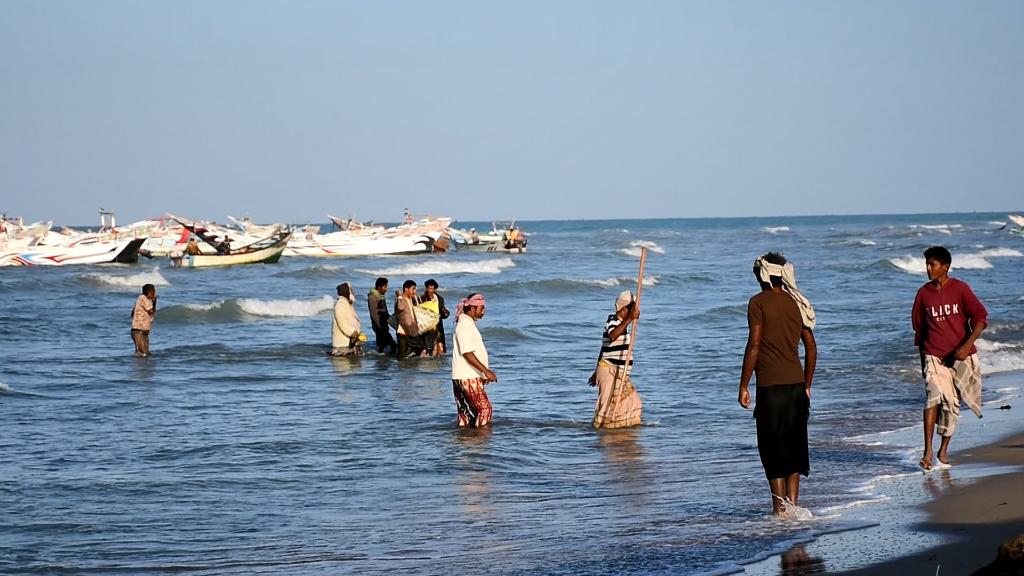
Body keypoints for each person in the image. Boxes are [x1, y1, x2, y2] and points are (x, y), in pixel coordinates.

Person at [738, 252, 817, 517]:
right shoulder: (798, 303)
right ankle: (793, 506)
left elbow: (755, 344)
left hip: (770, 389)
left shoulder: (757, 303)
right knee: (795, 446)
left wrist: (743, 385)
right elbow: (811, 347)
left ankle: (778, 508)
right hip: (796, 386)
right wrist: (807, 384)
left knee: (772, 448)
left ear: (761, 275)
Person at [912, 246, 987, 471]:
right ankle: (927, 452)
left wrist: (965, 347)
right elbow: (920, 331)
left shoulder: (961, 289)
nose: (928, 268)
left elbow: (981, 318)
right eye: (926, 264)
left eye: (932, 264)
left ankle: (943, 449)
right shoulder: (923, 294)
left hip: (960, 356)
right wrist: (923, 362)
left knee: (952, 405)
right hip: (933, 355)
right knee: (933, 396)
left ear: (945, 267)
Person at [589, 290, 643, 429]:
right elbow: (612, 336)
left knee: (631, 401)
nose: (635, 311)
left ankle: (618, 431)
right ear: (624, 308)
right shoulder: (612, 320)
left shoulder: (623, 325)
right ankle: (601, 433)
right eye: (632, 309)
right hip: (609, 370)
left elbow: (603, 348)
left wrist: (595, 371)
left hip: (619, 372)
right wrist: (629, 319)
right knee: (606, 407)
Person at [451, 293, 497, 427]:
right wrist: (486, 371)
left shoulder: (465, 322)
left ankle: (465, 443)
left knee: (466, 414)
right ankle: (480, 442)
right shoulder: (465, 325)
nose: (483, 311)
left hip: (462, 376)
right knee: (485, 409)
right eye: (481, 308)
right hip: (468, 376)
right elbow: (467, 353)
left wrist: (482, 374)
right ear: (472, 308)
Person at [331, 283, 364, 356]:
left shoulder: (347, 304)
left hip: (350, 343)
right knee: (345, 365)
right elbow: (342, 324)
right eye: (351, 291)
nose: (353, 293)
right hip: (342, 346)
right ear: (346, 292)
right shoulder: (340, 305)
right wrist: (352, 332)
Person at [394, 279, 426, 358]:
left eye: (415, 289)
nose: (414, 291)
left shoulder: (409, 299)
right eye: (413, 289)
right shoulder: (401, 299)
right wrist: (400, 296)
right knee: (401, 356)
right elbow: (400, 308)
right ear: (406, 289)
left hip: (410, 330)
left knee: (414, 351)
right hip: (403, 331)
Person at [367, 277, 397, 355]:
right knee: (392, 345)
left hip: (383, 325)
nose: (386, 289)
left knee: (381, 345)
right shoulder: (373, 297)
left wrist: (391, 319)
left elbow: (385, 311)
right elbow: (374, 314)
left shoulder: (381, 296)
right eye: (385, 287)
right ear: (379, 287)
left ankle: (381, 363)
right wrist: (380, 326)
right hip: (379, 326)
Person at [422, 279, 450, 355]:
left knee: (440, 345)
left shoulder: (440, 299)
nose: (430, 290)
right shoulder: (422, 298)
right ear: (426, 288)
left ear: (435, 289)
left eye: (432, 288)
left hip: (438, 324)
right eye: (428, 288)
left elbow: (442, 311)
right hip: (427, 325)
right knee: (428, 346)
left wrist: (445, 313)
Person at [131, 283, 157, 357]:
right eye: (154, 292)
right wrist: (154, 302)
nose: (154, 294)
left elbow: (132, 313)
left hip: (141, 330)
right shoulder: (143, 298)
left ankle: (143, 366)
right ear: (151, 292)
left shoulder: (139, 300)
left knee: (145, 353)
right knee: (141, 353)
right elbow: (151, 311)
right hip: (139, 331)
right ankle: (140, 367)